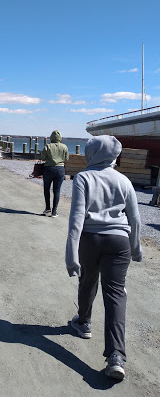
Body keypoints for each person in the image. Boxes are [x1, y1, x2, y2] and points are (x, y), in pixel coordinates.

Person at [65, 135, 142, 381]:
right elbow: (135, 218)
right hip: (120, 242)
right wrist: (136, 247)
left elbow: (77, 218)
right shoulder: (124, 180)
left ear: (92, 153)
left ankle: (84, 322)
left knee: (88, 280)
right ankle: (116, 356)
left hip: (91, 239)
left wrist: (71, 255)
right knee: (116, 293)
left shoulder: (84, 178)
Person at [40, 130, 69, 217]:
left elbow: (43, 158)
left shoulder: (47, 146)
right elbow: (66, 159)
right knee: (57, 190)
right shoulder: (64, 147)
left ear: (51, 137)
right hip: (60, 169)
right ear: (60, 138)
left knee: (46, 189)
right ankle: (54, 211)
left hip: (48, 168)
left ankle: (47, 208)